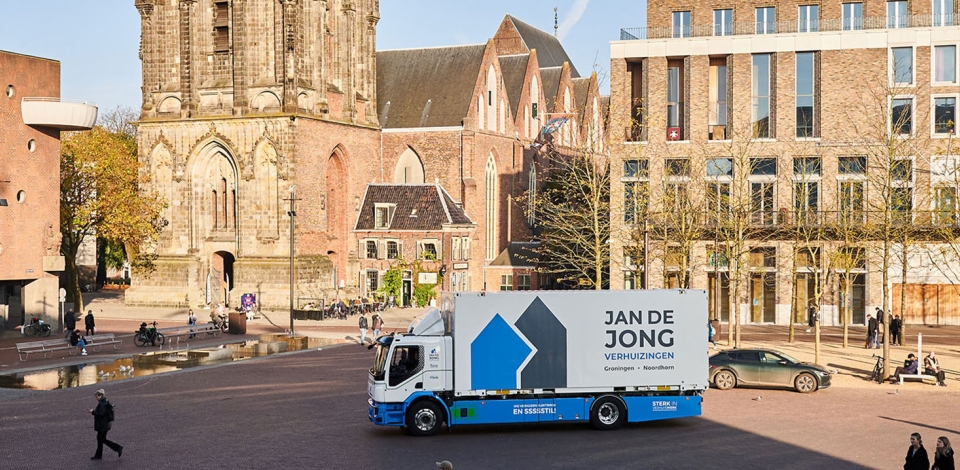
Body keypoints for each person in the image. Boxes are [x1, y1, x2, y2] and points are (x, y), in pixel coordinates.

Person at [89, 389, 122, 460]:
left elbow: (101, 414)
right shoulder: (105, 401)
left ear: (100, 396)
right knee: (100, 439)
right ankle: (98, 455)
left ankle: (118, 447)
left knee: (101, 439)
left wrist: (93, 412)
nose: (96, 398)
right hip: (105, 425)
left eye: (96, 396)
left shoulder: (102, 404)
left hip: (102, 426)